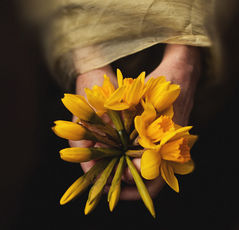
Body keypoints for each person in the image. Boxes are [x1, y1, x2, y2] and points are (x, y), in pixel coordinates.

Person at [20, 0, 214, 200]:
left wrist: (185, 58)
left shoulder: (151, 133)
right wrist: (88, 62)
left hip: (188, 86)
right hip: (79, 54)